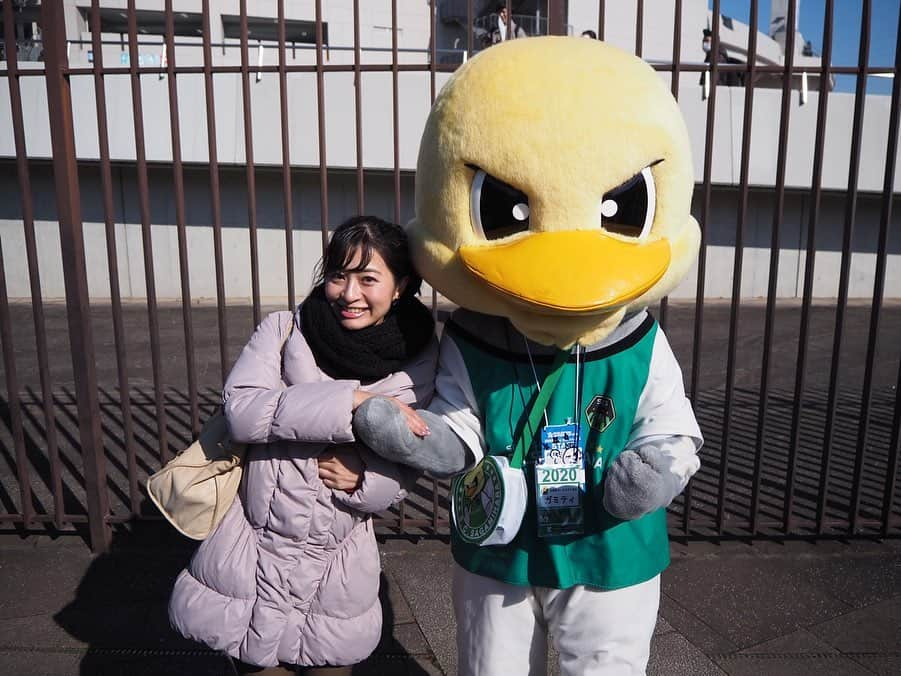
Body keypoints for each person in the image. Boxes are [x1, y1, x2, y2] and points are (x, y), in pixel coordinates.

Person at [168, 216, 438, 675]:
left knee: (328, 660)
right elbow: (244, 412)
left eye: (368, 279)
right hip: (250, 548)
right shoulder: (284, 330)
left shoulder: (418, 359)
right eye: (339, 276)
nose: (349, 294)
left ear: (400, 287)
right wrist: (351, 401)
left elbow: (409, 458)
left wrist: (366, 479)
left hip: (336, 564)